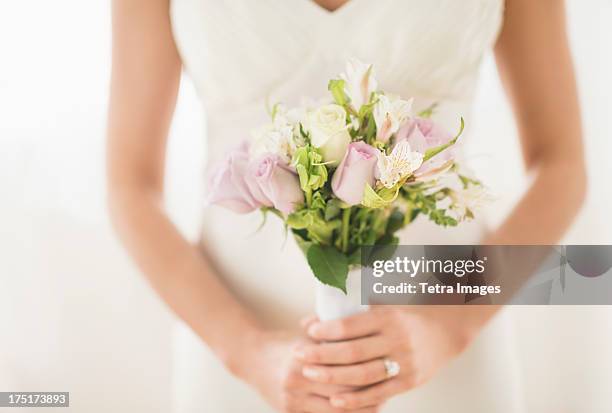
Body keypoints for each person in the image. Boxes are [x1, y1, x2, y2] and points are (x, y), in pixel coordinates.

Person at [106, 0, 586, 411]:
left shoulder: (449, 334)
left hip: (445, 343)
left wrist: (449, 329)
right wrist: (248, 353)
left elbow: (561, 166)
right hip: (234, 346)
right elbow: (130, 185)